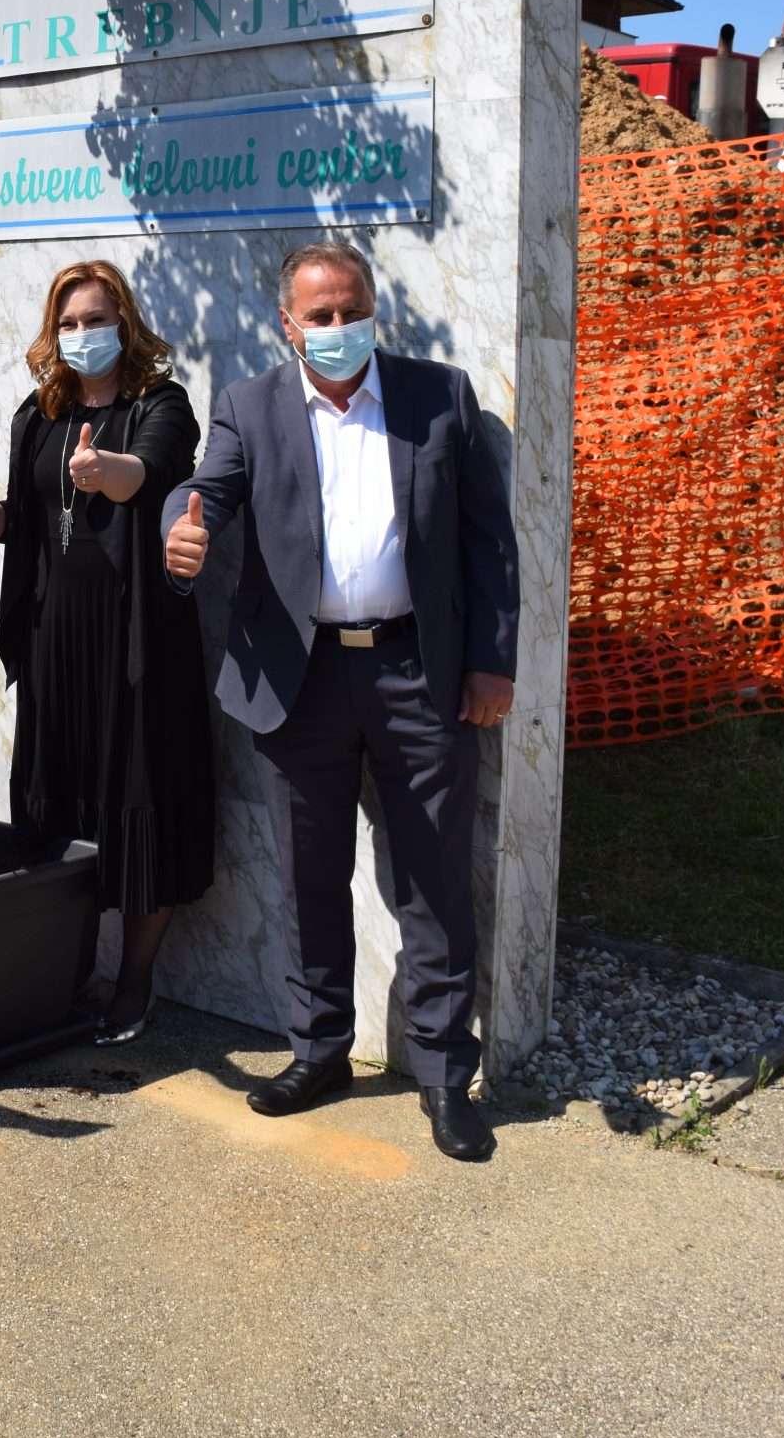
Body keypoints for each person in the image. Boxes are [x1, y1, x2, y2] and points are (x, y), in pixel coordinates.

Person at [162, 240, 518, 1162]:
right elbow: (206, 491)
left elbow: (487, 541)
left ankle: (443, 1075)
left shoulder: (438, 396)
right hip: (299, 679)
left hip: (418, 674)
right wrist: (179, 530)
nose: (336, 327)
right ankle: (318, 1052)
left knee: (432, 879)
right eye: (317, 315)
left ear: (372, 309)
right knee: (306, 874)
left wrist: (490, 661)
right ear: (288, 324)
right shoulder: (249, 404)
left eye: (350, 310)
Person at [0, 260, 213, 1042]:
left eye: (95, 320)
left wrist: (107, 472)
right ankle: (60, 976)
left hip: (136, 642)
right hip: (55, 640)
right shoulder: (38, 414)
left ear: (124, 324)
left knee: (139, 803)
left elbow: (150, 473)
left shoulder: (161, 404)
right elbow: (22, 526)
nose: (80, 334)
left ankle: (132, 986)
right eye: (67, 323)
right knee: (54, 806)